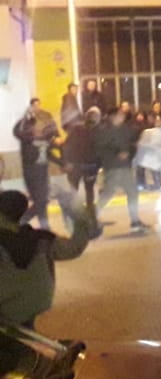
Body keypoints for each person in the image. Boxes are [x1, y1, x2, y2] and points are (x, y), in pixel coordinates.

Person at [0, 191, 91, 329]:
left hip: (7, 306)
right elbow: (73, 248)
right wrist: (81, 221)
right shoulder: (42, 239)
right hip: (38, 302)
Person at [94, 107, 149, 234]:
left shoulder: (125, 129)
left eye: (123, 114)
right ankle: (91, 218)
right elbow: (101, 148)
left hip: (124, 166)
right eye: (120, 114)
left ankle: (135, 221)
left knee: (132, 192)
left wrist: (130, 151)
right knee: (108, 193)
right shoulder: (104, 131)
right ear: (112, 116)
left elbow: (134, 137)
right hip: (113, 167)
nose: (123, 116)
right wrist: (116, 153)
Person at [12, 98, 59, 229]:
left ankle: (22, 220)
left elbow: (50, 151)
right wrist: (26, 118)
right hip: (31, 170)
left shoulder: (44, 138)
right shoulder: (26, 137)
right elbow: (17, 131)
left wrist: (62, 163)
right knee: (40, 199)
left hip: (42, 170)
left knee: (43, 199)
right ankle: (45, 227)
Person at [60, 106, 102, 236]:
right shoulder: (81, 129)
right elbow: (67, 146)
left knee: (83, 194)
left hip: (84, 166)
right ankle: (83, 221)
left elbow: (99, 150)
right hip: (81, 166)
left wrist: (66, 162)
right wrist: (67, 162)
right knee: (80, 194)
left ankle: (86, 221)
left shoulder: (88, 130)